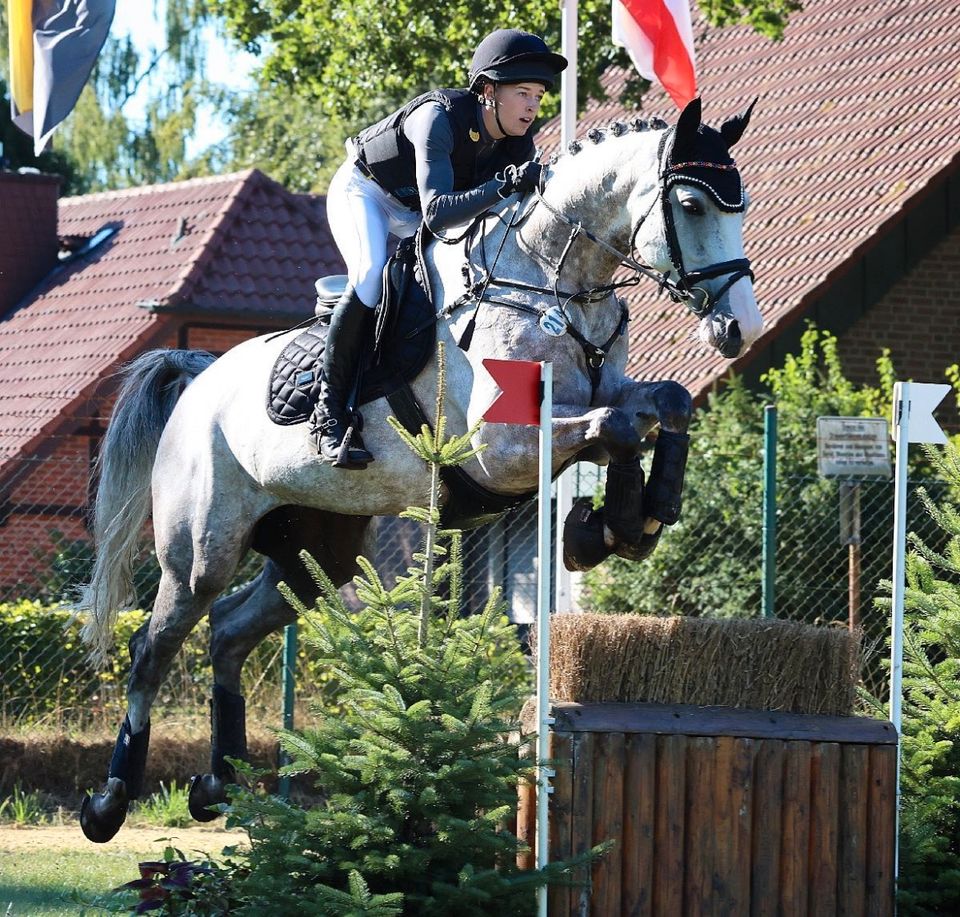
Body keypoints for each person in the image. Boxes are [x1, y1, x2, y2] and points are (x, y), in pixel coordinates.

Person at [312, 28, 568, 469]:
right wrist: (503, 185)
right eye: (523, 92)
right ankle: (328, 412)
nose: (532, 106)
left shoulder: (518, 141)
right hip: (368, 193)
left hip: (423, 209)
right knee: (372, 273)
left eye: (539, 96)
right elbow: (437, 214)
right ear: (487, 91)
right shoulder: (439, 117)